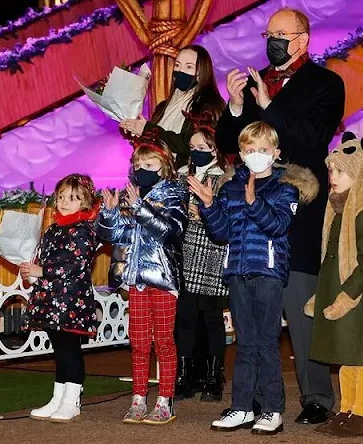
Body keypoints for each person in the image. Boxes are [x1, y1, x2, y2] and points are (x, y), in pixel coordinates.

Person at [216, 7, 345, 424]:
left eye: (280, 34)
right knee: (254, 310)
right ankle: (250, 398)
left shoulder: (326, 83)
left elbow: (311, 138)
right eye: (268, 34)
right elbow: (229, 144)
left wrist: (269, 106)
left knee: (301, 303)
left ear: (302, 40)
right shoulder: (257, 84)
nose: (271, 41)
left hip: (298, 207)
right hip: (253, 213)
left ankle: (316, 397)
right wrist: (237, 106)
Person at [189, 121, 319, 435]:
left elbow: (278, 225)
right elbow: (221, 233)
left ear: (275, 153)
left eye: (262, 150)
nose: (256, 155)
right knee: (244, 344)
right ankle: (242, 407)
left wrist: (255, 204)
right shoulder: (232, 186)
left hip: (268, 274)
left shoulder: (285, 187)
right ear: (241, 153)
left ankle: (272, 409)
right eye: (249, 150)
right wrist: (208, 205)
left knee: (265, 344)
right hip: (237, 272)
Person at [96, 137, 188, 425]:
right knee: (137, 342)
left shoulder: (175, 193)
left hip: (161, 277)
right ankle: (138, 398)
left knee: (163, 341)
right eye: (138, 164)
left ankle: (165, 401)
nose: (142, 169)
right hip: (135, 278)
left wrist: (139, 208)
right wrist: (110, 213)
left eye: (149, 164)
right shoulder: (131, 194)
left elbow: (170, 231)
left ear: (165, 166)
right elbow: (112, 236)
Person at [305, 133, 363, 438]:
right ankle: (346, 409)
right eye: (331, 171)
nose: (332, 177)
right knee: (344, 357)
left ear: (358, 174)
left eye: (340, 171)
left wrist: (348, 294)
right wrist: (323, 295)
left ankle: (362, 414)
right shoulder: (339, 211)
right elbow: (331, 258)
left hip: (358, 299)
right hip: (339, 295)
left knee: (360, 358)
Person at [23, 174, 100, 423]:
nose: (65, 202)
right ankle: (58, 396)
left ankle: (72, 399)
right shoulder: (54, 228)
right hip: (52, 299)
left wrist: (42, 271)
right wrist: (32, 268)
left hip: (72, 301)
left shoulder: (84, 230)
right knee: (60, 349)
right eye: (62, 197)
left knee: (71, 349)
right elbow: (48, 259)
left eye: (73, 198)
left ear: (86, 202)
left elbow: (74, 265)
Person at [175, 111, 231, 402]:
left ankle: (213, 376)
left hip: (211, 252)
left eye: (202, 147)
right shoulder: (182, 176)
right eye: (192, 147)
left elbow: (227, 217)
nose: (196, 152)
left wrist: (204, 213)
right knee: (184, 318)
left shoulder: (223, 178)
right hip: (185, 252)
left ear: (215, 149)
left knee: (212, 318)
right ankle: (184, 375)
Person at [120, 45, 225, 167]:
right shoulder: (163, 106)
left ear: (202, 72)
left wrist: (148, 129)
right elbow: (155, 147)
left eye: (189, 67)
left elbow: (189, 144)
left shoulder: (209, 104)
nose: (181, 71)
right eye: (177, 65)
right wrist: (134, 130)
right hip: (161, 175)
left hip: (188, 176)